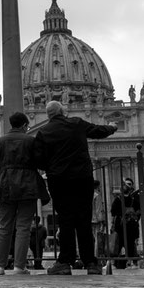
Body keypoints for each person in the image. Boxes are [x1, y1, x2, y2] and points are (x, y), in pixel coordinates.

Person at [33, 100, 116, 276]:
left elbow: (37, 159)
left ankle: (65, 261)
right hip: (82, 179)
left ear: (48, 115)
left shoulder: (44, 131)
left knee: (65, 221)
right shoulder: (76, 123)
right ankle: (91, 263)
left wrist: (51, 166)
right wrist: (112, 127)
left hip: (59, 180)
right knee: (84, 220)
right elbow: (98, 131)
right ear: (63, 111)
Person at [0, 112, 41, 276]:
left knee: (4, 227)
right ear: (24, 125)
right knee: (24, 228)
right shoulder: (31, 140)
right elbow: (39, 161)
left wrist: (3, 174)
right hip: (28, 185)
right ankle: (19, 266)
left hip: (6, 185)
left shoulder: (0, 141)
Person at [110, 178, 141, 269]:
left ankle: (132, 263)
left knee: (131, 244)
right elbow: (113, 212)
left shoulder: (134, 199)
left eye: (129, 184)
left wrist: (134, 217)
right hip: (120, 226)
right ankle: (113, 263)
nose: (126, 186)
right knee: (117, 244)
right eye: (125, 184)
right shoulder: (118, 199)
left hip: (131, 227)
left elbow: (139, 211)